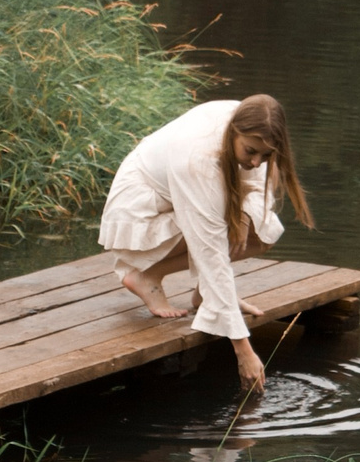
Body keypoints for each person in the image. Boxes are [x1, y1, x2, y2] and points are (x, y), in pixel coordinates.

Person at [100, 94, 314, 391]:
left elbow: (252, 195)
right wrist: (244, 351)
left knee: (259, 231)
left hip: (178, 200)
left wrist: (217, 295)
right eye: (251, 152)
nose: (256, 162)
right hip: (141, 213)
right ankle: (145, 274)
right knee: (217, 237)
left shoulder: (252, 128)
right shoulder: (197, 159)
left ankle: (204, 296)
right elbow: (210, 252)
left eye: (265, 156)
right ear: (234, 132)